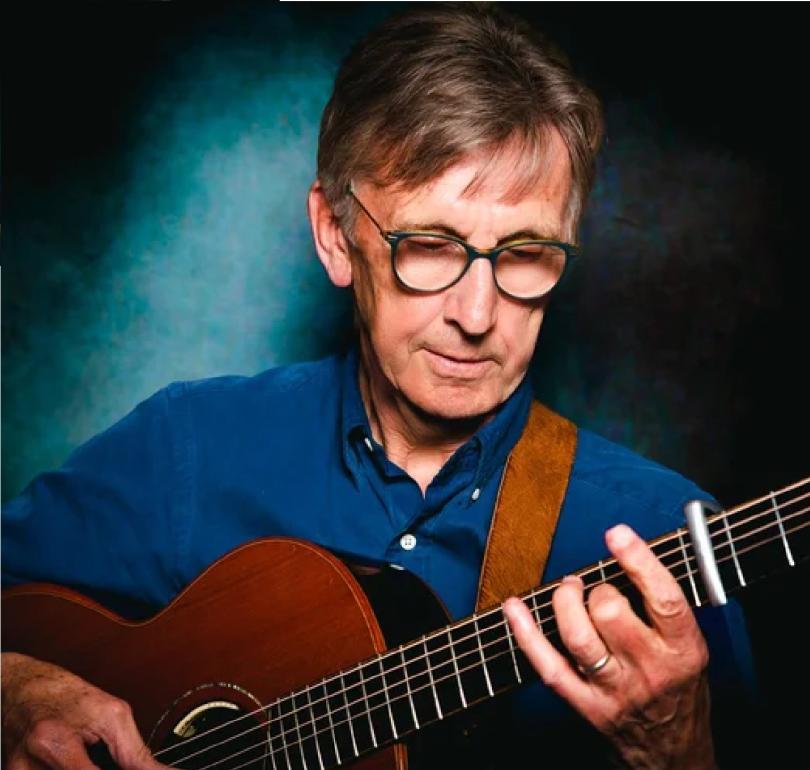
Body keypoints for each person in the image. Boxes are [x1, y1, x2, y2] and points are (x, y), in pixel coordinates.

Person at [2, 4, 755, 769]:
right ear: (335, 236)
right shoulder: (189, 446)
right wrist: (18, 690)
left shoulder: (663, 537)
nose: (477, 314)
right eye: (428, 245)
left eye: (526, 253)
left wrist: (680, 749)